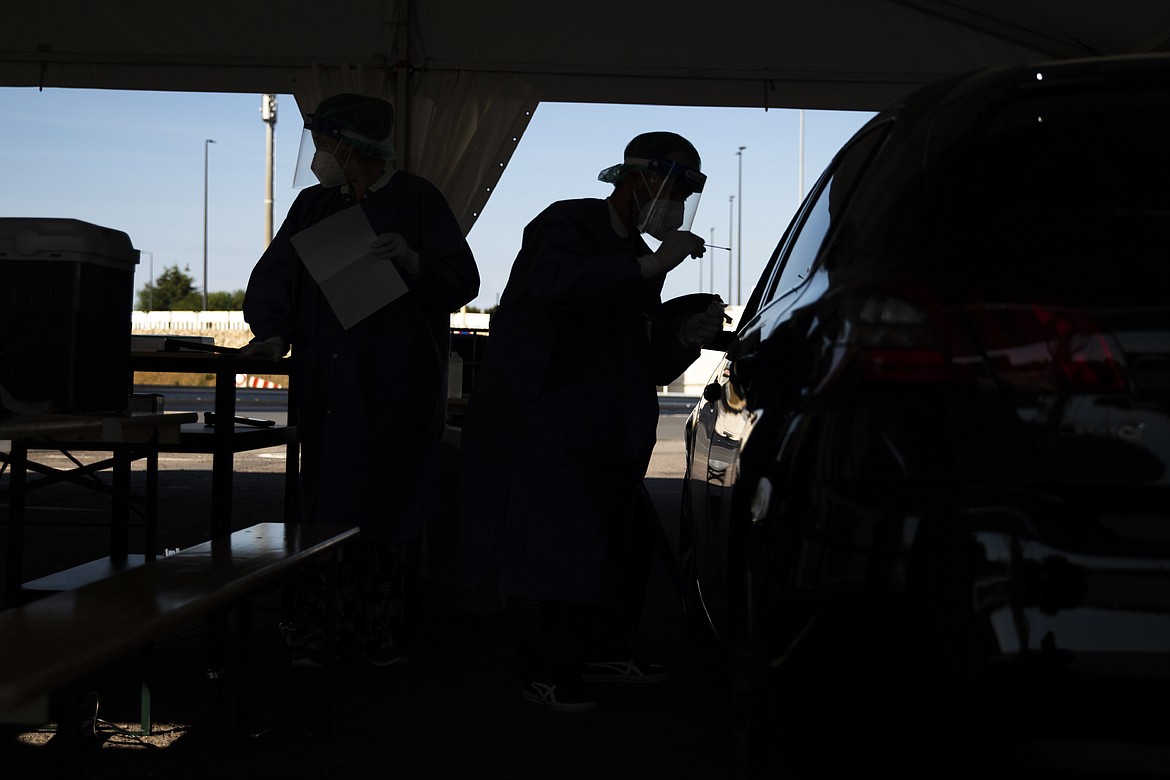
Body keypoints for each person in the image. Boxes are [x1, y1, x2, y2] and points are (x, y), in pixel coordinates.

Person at [459, 131, 726, 711]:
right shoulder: (569, 223)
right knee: (567, 549)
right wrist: (649, 263)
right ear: (636, 179)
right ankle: (545, 666)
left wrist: (683, 335)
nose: (676, 205)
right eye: (672, 189)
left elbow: (637, 349)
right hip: (554, 416)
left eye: (686, 194)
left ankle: (601, 647)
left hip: (607, 423)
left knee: (619, 545)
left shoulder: (636, 254)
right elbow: (554, 286)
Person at [241, 93, 479, 666]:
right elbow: (277, 277)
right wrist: (272, 331)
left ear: (350, 145)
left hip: (396, 389)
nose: (319, 155)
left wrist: (415, 261)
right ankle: (318, 630)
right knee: (325, 509)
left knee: (388, 510)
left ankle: (377, 632)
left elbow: (461, 280)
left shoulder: (417, 200)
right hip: (329, 392)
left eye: (325, 144)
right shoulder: (313, 207)